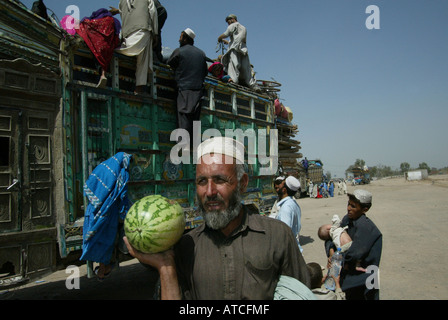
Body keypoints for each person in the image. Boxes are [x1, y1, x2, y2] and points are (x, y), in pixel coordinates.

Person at [124, 137, 310, 299]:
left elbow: (300, 295)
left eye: (220, 180)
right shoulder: (186, 246)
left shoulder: (277, 236)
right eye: (202, 181)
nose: (210, 192)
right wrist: (165, 267)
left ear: (243, 184)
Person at [324, 189, 382, 300]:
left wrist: (337, 257)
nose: (348, 208)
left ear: (365, 209)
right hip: (349, 273)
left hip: (363, 278)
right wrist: (331, 252)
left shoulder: (366, 228)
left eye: (353, 206)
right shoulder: (347, 219)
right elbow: (334, 237)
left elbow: (354, 254)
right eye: (348, 204)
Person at [167, 28, 208, 148]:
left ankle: (182, 147)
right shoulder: (201, 54)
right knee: (195, 120)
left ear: (185, 38)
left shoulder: (180, 51)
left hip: (185, 89)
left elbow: (170, 62)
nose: (178, 40)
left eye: (180, 37)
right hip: (199, 91)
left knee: (184, 117)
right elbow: (205, 72)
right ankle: (194, 147)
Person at [112, 0, 158, 95]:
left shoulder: (122, 2)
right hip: (143, 30)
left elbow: (123, 14)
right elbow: (153, 13)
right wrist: (155, 33)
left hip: (127, 35)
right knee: (143, 60)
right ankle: (139, 87)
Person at [74, 8, 122, 88]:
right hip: (107, 48)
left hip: (97, 47)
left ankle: (102, 74)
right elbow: (116, 35)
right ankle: (103, 74)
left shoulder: (95, 22)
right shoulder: (113, 21)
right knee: (103, 58)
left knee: (96, 54)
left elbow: (86, 25)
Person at [217, 14, 258, 90]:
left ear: (232, 19)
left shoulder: (233, 25)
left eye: (228, 21)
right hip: (243, 50)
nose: (228, 23)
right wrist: (227, 42)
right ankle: (253, 86)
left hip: (234, 50)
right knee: (246, 70)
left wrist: (219, 38)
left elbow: (226, 34)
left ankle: (233, 82)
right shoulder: (243, 28)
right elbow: (239, 39)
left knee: (233, 67)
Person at [274, 175, 303, 253]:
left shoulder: (286, 207)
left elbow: (285, 234)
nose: (277, 189)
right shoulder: (292, 203)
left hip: (289, 251)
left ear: (284, 190)